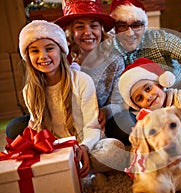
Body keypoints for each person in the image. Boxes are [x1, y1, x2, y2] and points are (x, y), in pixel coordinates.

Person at [14, 20, 126, 177]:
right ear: (27, 56)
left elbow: (91, 126)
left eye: (49, 48)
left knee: (114, 149)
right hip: (55, 151)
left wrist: (84, 148)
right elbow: (37, 129)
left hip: (85, 144)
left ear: (61, 51)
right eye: (34, 51)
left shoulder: (81, 81)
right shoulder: (30, 91)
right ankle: (71, 169)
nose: (43, 56)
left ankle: (83, 166)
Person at [54, 0, 130, 145]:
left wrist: (106, 112)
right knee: (16, 127)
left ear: (101, 30)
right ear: (70, 32)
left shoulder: (114, 61)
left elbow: (119, 101)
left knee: (127, 124)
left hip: (102, 118)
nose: (88, 32)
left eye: (93, 26)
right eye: (80, 27)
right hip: (67, 119)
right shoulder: (63, 61)